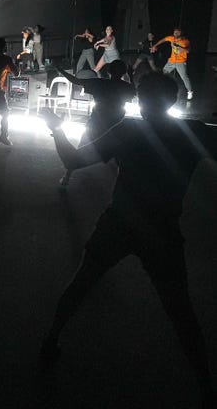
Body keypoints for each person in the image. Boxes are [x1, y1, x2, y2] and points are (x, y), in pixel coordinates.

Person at [38, 72, 217, 407]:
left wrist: (55, 126)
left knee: (82, 282)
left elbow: (73, 160)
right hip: (162, 230)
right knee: (181, 310)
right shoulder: (192, 132)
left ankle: (50, 339)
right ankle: (205, 386)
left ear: (141, 99)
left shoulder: (130, 130)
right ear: (172, 100)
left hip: (120, 222)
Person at [55, 60, 135, 186]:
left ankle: (67, 175)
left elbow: (76, 81)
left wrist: (60, 69)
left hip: (97, 121)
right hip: (115, 124)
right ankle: (120, 184)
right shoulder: (125, 86)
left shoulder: (100, 83)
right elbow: (134, 92)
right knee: (119, 154)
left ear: (108, 71)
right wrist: (131, 76)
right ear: (124, 72)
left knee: (82, 147)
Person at [151, 28, 193, 100]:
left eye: (177, 32)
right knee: (162, 74)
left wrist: (181, 48)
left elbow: (188, 50)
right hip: (171, 61)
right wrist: (155, 45)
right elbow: (163, 40)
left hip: (181, 62)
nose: (175, 34)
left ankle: (190, 91)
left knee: (184, 77)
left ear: (181, 33)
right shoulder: (171, 38)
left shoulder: (185, 41)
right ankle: (158, 89)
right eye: (174, 32)